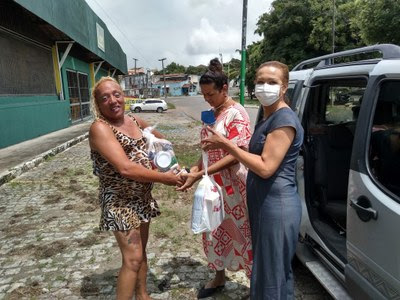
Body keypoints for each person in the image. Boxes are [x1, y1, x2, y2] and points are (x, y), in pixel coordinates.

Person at [201, 61, 304, 299]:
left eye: (272, 82)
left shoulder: (284, 120)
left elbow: (266, 168)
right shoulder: (268, 116)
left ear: (284, 87)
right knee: (270, 271)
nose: (264, 86)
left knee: (272, 274)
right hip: (263, 203)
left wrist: (227, 144)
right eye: (260, 81)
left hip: (276, 205)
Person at [89, 76, 183, 300]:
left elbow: (163, 142)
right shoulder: (100, 128)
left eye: (116, 94)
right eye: (105, 98)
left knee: (140, 254)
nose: (113, 100)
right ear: (98, 104)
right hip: (119, 202)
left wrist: (173, 165)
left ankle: (143, 296)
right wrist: (165, 179)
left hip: (142, 198)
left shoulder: (134, 120)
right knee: (132, 259)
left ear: (123, 96)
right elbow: (125, 168)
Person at [178, 58, 253, 299]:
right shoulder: (210, 115)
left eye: (211, 94)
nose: (207, 99)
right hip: (213, 187)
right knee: (213, 231)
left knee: (243, 233)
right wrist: (195, 171)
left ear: (224, 89)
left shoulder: (237, 113)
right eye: (204, 95)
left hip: (234, 187)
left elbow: (236, 154)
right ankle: (218, 276)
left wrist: (202, 173)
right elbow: (206, 151)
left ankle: (255, 282)